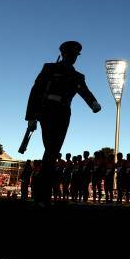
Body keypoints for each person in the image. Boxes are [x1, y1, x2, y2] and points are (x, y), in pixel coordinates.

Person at [24, 41, 101, 206]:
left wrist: (93, 103)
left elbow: (84, 90)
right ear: (63, 54)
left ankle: (41, 196)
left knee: (52, 152)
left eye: (75, 56)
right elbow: (36, 91)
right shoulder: (49, 68)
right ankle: (42, 196)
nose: (73, 58)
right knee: (51, 151)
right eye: (70, 54)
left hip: (64, 113)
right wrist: (31, 116)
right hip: (47, 111)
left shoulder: (77, 76)